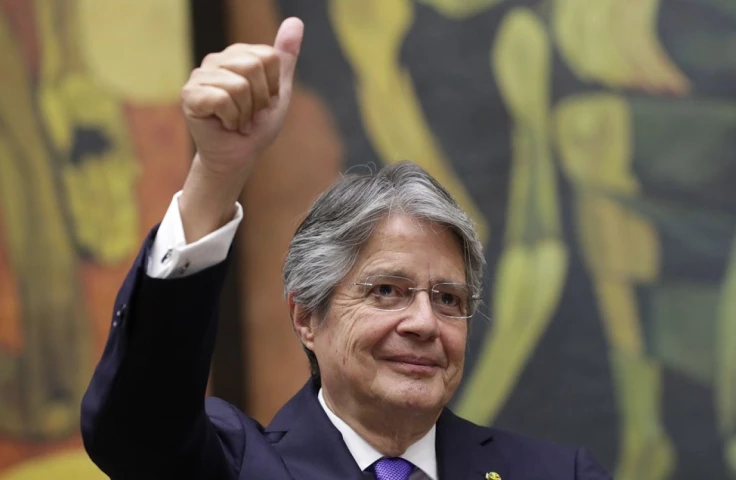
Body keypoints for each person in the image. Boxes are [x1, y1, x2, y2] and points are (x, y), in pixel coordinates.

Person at [80, 17, 611, 480]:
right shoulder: (236, 464)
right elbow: (138, 425)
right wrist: (218, 173)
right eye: (387, 291)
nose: (425, 323)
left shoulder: (559, 473)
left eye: (448, 299)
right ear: (307, 316)